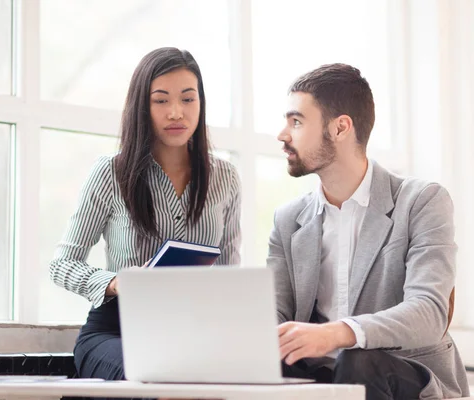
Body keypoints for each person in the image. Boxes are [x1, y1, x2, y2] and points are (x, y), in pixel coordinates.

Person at [268, 63, 470, 399]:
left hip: (401, 372)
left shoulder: (421, 201)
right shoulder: (288, 220)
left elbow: (429, 310)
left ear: (341, 128)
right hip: (321, 376)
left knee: (358, 361)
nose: (283, 134)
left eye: (297, 122)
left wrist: (338, 333)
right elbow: (273, 317)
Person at [49, 47, 241, 391]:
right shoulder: (110, 172)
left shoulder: (225, 177)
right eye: (161, 100)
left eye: (188, 99)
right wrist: (116, 283)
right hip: (116, 330)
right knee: (164, 380)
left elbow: (229, 275)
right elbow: (62, 264)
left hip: (189, 334)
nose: (176, 112)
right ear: (142, 106)